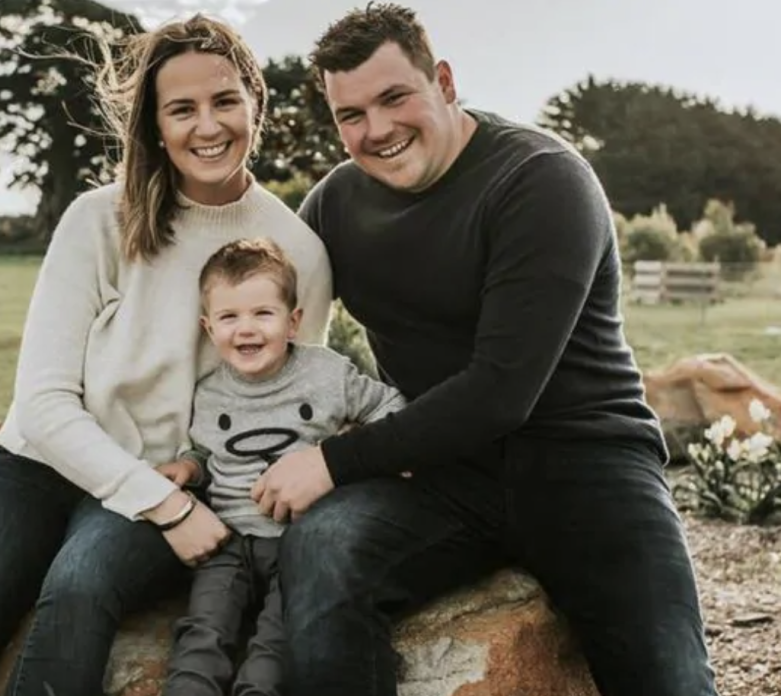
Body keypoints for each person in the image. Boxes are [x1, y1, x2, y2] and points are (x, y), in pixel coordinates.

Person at [250, 4, 720, 696]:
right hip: (441, 479)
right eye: (350, 115)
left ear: (441, 80)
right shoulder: (332, 206)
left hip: (586, 467)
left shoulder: (540, 180)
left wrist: (333, 460)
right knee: (321, 550)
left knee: (669, 678)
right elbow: (261, 321)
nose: (375, 130)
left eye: (393, 97)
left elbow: (500, 390)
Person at [0, 15, 332, 696]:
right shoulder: (98, 219)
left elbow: (285, 406)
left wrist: (189, 482)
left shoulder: (299, 252)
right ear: (153, 123)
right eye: (181, 109)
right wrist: (167, 510)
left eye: (224, 100)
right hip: (38, 466)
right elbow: (43, 404)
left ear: (255, 102)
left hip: (170, 478)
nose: (207, 126)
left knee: (80, 583)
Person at [156, 237, 404, 696]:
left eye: (262, 314)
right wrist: (189, 470)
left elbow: (391, 407)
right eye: (229, 317)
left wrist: (349, 448)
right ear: (209, 329)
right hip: (228, 542)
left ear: (292, 323)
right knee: (203, 629)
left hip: (297, 541)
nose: (245, 329)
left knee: (276, 636)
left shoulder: (326, 374)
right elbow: (212, 456)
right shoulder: (209, 393)